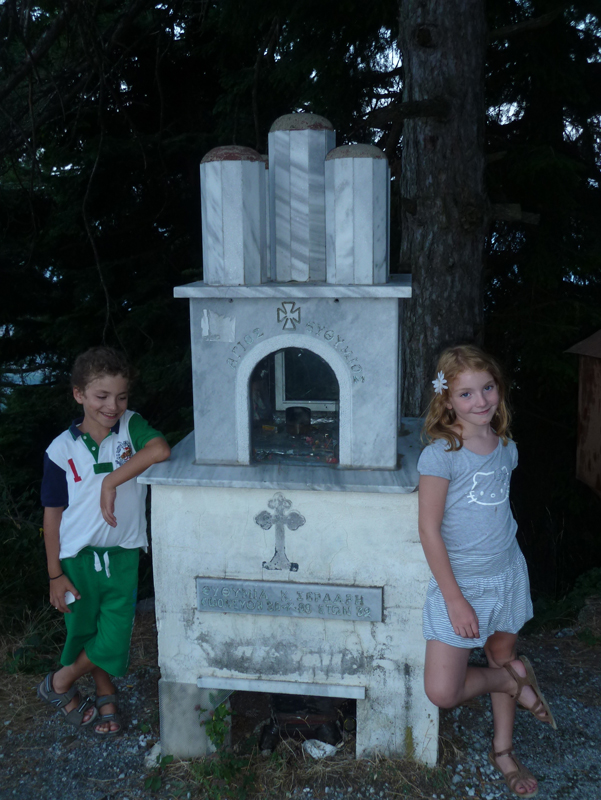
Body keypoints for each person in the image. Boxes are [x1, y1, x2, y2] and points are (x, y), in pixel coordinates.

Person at [417, 345, 556, 799]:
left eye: (488, 388)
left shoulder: (506, 447)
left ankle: (504, 751)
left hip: (506, 574)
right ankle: (512, 680)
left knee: (500, 652)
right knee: (443, 691)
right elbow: (429, 530)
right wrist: (455, 599)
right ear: (446, 400)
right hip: (461, 585)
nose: (481, 401)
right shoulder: (442, 454)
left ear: (499, 388)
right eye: (466, 394)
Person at [38, 346, 171, 735]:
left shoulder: (131, 427)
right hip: (76, 559)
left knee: (114, 635)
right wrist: (54, 574)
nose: (113, 406)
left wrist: (112, 480)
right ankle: (104, 689)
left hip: (123, 555)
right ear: (78, 394)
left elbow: (160, 449)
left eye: (121, 396)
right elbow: (52, 516)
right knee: (84, 632)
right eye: (101, 396)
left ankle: (59, 682)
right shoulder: (60, 450)